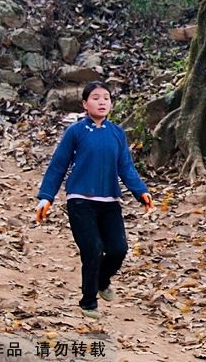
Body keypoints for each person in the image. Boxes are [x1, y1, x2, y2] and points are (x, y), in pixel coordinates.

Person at [34, 81, 155, 320]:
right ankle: (88, 302)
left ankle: (102, 281)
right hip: (80, 200)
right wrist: (46, 198)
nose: (102, 102)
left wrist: (141, 191)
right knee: (93, 249)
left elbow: (125, 167)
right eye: (96, 98)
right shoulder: (76, 132)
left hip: (109, 201)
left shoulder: (117, 133)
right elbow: (58, 165)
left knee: (118, 249)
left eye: (106, 98)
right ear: (84, 104)